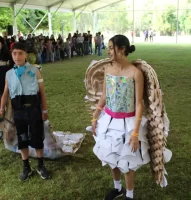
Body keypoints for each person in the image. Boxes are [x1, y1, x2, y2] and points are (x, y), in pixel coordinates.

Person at [91, 35, 150, 200]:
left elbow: (139, 104)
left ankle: (130, 195)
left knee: (127, 161)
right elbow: (105, 95)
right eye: (108, 48)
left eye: (111, 48)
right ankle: (117, 188)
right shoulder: (108, 69)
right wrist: (96, 115)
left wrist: (136, 132)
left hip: (128, 123)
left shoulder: (135, 73)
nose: (108, 51)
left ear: (122, 49)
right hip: (109, 121)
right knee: (112, 157)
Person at [0, 42, 50, 181]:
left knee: (37, 137)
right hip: (19, 112)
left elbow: (42, 93)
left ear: (26, 54)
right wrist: (1, 108)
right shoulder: (9, 74)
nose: (17, 56)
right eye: (14, 53)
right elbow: (5, 93)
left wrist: (44, 110)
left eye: (20, 53)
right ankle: (26, 167)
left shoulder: (35, 70)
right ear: (11, 55)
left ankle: (41, 165)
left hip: (34, 110)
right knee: (22, 139)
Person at [0, 36, 13, 137]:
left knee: (9, 107)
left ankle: (9, 129)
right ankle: (1, 130)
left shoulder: (8, 55)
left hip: (7, 85)